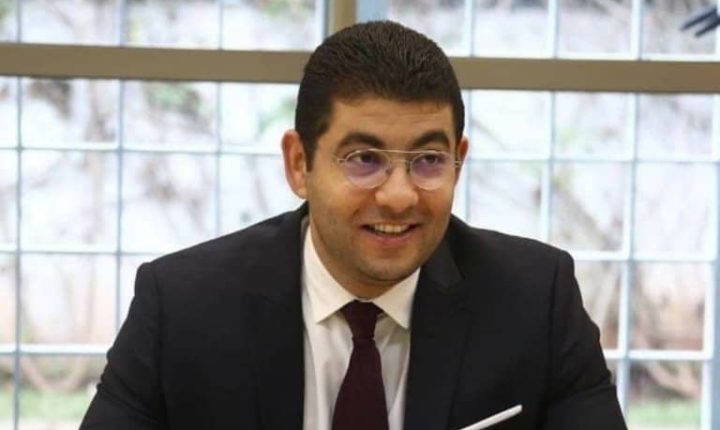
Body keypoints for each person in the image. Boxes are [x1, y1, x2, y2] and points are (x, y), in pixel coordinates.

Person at [80, 20, 627, 430]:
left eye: (428, 160)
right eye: (364, 159)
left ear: (459, 161)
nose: (398, 195)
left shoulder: (536, 300)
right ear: (299, 163)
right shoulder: (182, 306)